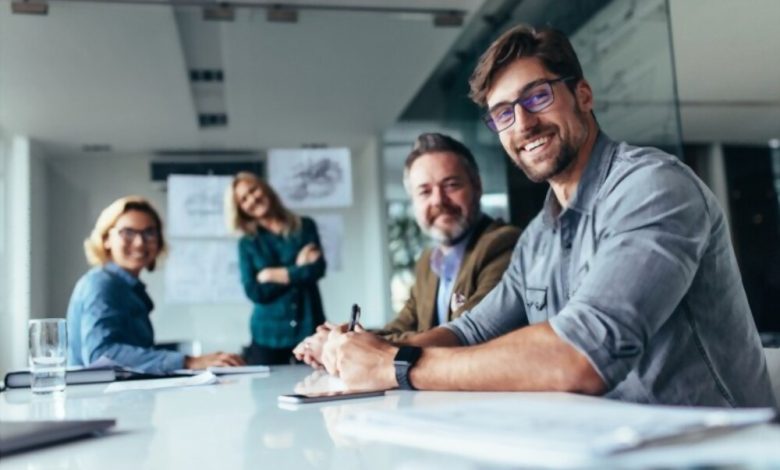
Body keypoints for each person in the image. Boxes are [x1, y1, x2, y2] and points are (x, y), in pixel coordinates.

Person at [322, 24, 775, 407]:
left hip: (718, 451)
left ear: (583, 94)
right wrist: (364, 351)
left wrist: (395, 366)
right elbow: (471, 329)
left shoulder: (652, 187)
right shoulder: (539, 235)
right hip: (608, 445)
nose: (522, 124)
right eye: (502, 114)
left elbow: (583, 355)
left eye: (536, 97)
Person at [293, 133, 520, 367]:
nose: (438, 200)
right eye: (424, 191)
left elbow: (468, 333)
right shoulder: (428, 262)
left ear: (477, 186)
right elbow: (402, 326)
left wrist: (346, 346)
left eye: (451, 185)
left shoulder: (501, 244)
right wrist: (344, 339)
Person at [67, 196, 244, 374]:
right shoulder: (101, 285)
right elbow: (101, 355)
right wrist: (188, 362)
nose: (139, 242)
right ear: (106, 238)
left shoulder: (128, 288)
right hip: (97, 400)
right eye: (128, 232)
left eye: (149, 233)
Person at [225, 172, 326, 365]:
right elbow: (255, 291)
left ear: (265, 188)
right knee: (264, 393)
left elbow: (317, 269)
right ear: (240, 209)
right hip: (267, 335)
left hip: (309, 327)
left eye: (253, 190)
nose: (252, 199)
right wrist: (298, 268)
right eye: (243, 199)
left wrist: (273, 274)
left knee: (317, 387)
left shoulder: (305, 227)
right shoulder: (247, 243)